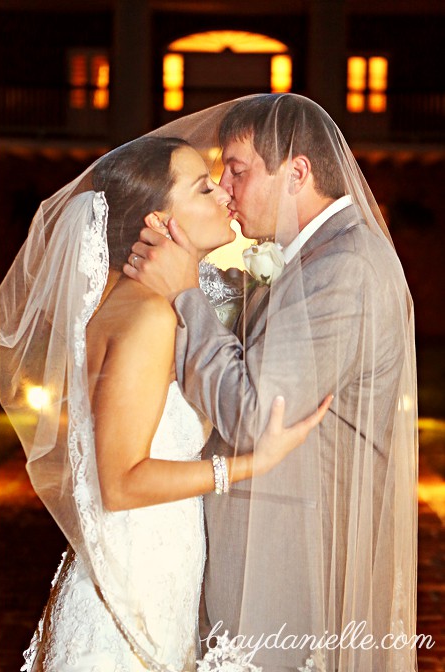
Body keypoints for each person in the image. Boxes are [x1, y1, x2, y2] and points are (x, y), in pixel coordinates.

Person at [0, 134, 331, 671]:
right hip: (129, 601)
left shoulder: (148, 304)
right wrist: (250, 465)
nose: (224, 194)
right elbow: (122, 481)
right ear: (159, 222)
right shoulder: (149, 317)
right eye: (203, 188)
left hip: (152, 576)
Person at [125, 94, 417, 670]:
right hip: (267, 546)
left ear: (297, 172)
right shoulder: (312, 256)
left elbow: (256, 418)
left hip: (289, 562)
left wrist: (183, 292)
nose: (226, 187)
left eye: (237, 170)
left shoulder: (345, 270)